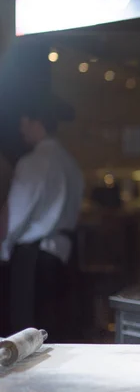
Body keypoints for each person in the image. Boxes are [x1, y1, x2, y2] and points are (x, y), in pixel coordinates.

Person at [0, 102, 84, 340]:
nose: (21, 130)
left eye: (24, 123)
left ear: (37, 124)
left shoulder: (34, 162)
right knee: (56, 328)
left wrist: (3, 249)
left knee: (28, 335)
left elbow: (15, 217)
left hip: (34, 259)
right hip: (62, 255)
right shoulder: (70, 161)